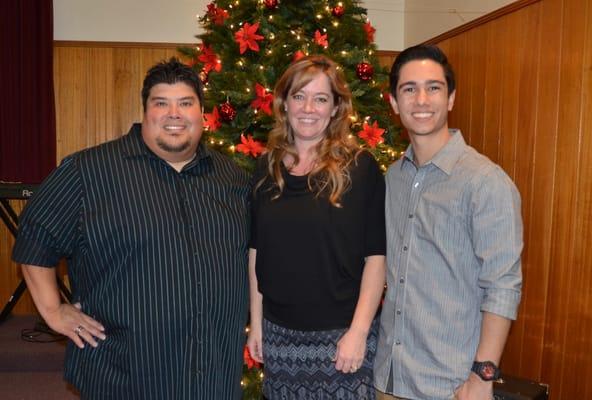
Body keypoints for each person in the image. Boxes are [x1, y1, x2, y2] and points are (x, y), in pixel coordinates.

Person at [12, 58, 250, 399]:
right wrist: (52, 311)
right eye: (161, 103)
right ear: (145, 112)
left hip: (212, 374)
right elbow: (35, 239)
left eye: (185, 103)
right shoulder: (88, 172)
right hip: (126, 377)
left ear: (202, 114)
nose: (174, 114)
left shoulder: (233, 179)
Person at [374, 44, 523, 400]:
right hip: (388, 378)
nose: (421, 99)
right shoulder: (391, 178)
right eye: (409, 89)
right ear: (394, 103)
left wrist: (482, 377)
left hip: (450, 387)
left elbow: (503, 287)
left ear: (451, 98)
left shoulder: (486, 182)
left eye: (434, 87)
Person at [246, 55, 386, 400]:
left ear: (336, 108)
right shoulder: (267, 167)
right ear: (284, 104)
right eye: (299, 96)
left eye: (320, 98)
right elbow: (256, 251)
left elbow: (376, 258)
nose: (308, 108)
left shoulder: (360, 168)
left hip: (340, 340)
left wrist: (358, 331)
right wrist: (257, 321)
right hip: (279, 337)